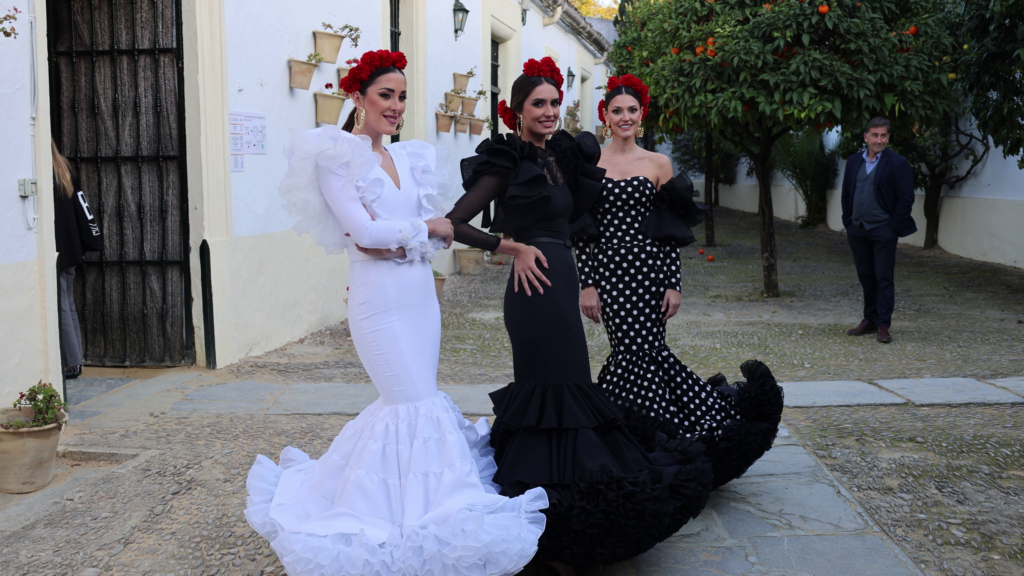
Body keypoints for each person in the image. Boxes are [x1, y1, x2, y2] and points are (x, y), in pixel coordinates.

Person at [245, 50, 548, 576]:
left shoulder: (408, 158)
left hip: (419, 297)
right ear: (358, 98)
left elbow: (410, 232)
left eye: (402, 96)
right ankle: (423, 515)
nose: (396, 105)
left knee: (417, 402)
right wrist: (422, 232)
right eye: (386, 94)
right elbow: (364, 236)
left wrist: (413, 236)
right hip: (378, 304)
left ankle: (408, 504)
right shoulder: (337, 157)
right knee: (411, 402)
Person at [445, 58, 713, 574]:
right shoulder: (508, 159)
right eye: (537, 104)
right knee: (553, 393)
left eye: (553, 103)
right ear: (517, 111)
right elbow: (453, 223)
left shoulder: (559, 157)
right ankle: (551, 519)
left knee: (570, 388)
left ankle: (566, 513)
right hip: (534, 288)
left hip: (562, 279)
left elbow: (589, 218)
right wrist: (510, 248)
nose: (548, 112)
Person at [575, 75, 785, 490]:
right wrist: (588, 284)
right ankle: (647, 436)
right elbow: (584, 232)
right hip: (611, 276)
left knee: (648, 351)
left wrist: (674, 284)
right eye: (616, 110)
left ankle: (650, 440)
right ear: (605, 116)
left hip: (650, 272)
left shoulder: (658, 163)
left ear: (641, 115)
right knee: (630, 352)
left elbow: (667, 230)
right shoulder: (591, 164)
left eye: (632, 110)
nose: (625, 117)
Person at [841, 117, 917, 343]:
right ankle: (869, 319)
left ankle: (883, 324)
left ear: (888, 138)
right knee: (866, 276)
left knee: (883, 277)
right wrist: (848, 222)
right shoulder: (854, 161)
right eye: (875, 135)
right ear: (866, 137)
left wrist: (892, 226)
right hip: (858, 228)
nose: (879, 139)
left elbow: (906, 199)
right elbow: (846, 194)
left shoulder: (897, 163)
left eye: (883, 135)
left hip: (883, 229)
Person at [52, 138, 102, 379]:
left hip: (58, 249)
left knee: (62, 304)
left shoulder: (47, 172)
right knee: (68, 302)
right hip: (71, 248)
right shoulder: (64, 168)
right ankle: (76, 359)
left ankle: (71, 363)